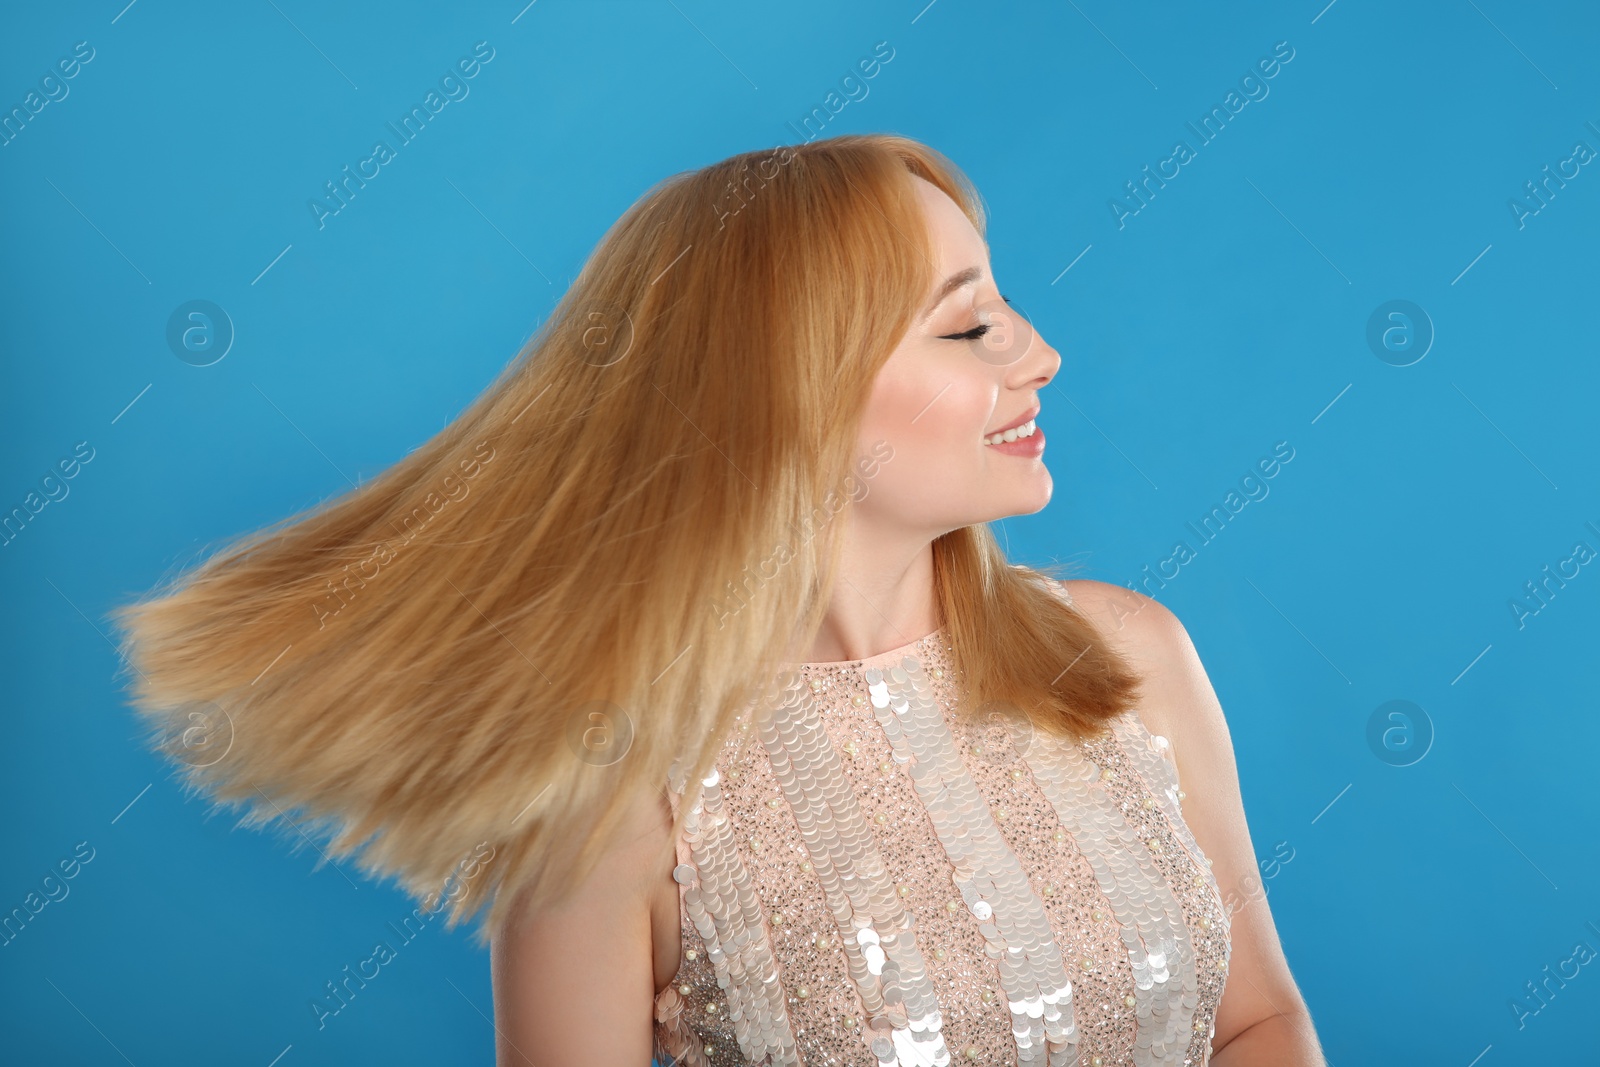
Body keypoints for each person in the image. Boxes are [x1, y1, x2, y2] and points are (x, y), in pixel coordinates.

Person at [112, 134, 1324, 1066]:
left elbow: (1257, 1018)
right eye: (970, 325)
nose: (1041, 351)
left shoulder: (1127, 661)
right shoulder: (617, 787)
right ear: (792, 391)